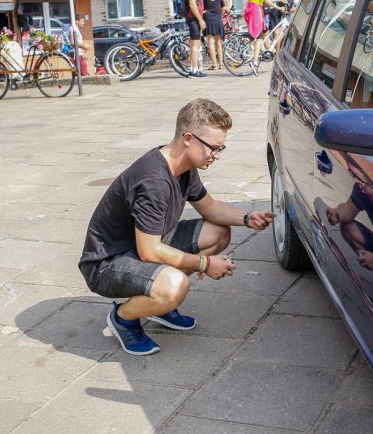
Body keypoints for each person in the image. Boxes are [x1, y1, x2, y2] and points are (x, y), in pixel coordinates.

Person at [79, 98, 275, 356]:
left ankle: (158, 304)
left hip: (141, 246)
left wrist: (248, 218)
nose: (216, 155)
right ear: (188, 138)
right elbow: (149, 251)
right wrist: (205, 264)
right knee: (175, 286)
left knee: (218, 232)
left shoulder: (183, 166)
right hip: (107, 264)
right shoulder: (154, 182)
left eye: (221, 148)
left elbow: (210, 208)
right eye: (214, 148)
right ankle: (124, 318)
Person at [245, 0, 285, 74]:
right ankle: (254, 63)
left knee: (261, 36)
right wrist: (279, 8)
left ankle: (256, 62)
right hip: (256, 10)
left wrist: (279, 0)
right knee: (258, 38)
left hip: (255, 9)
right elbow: (266, 1)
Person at [184, 0, 207, 78]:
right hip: (193, 18)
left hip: (194, 18)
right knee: (195, 44)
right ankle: (193, 70)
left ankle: (195, 69)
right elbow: (192, 4)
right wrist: (200, 20)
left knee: (195, 44)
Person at [201, 0, 226, 71]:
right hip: (217, 18)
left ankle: (214, 65)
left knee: (210, 42)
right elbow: (223, 7)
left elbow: (201, 8)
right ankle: (221, 64)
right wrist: (220, 14)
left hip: (208, 18)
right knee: (219, 42)